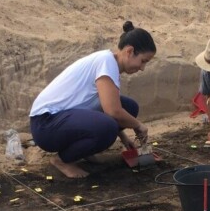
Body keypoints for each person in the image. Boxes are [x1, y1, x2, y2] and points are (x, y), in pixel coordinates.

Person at [29, 21, 156, 178]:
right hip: (46, 124)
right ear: (130, 51)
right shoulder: (106, 62)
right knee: (108, 127)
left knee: (129, 107)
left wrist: (124, 136)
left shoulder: (109, 64)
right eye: (143, 61)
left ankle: (83, 150)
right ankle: (61, 160)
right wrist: (138, 126)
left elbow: (108, 107)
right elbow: (112, 111)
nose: (142, 68)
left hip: (61, 119)